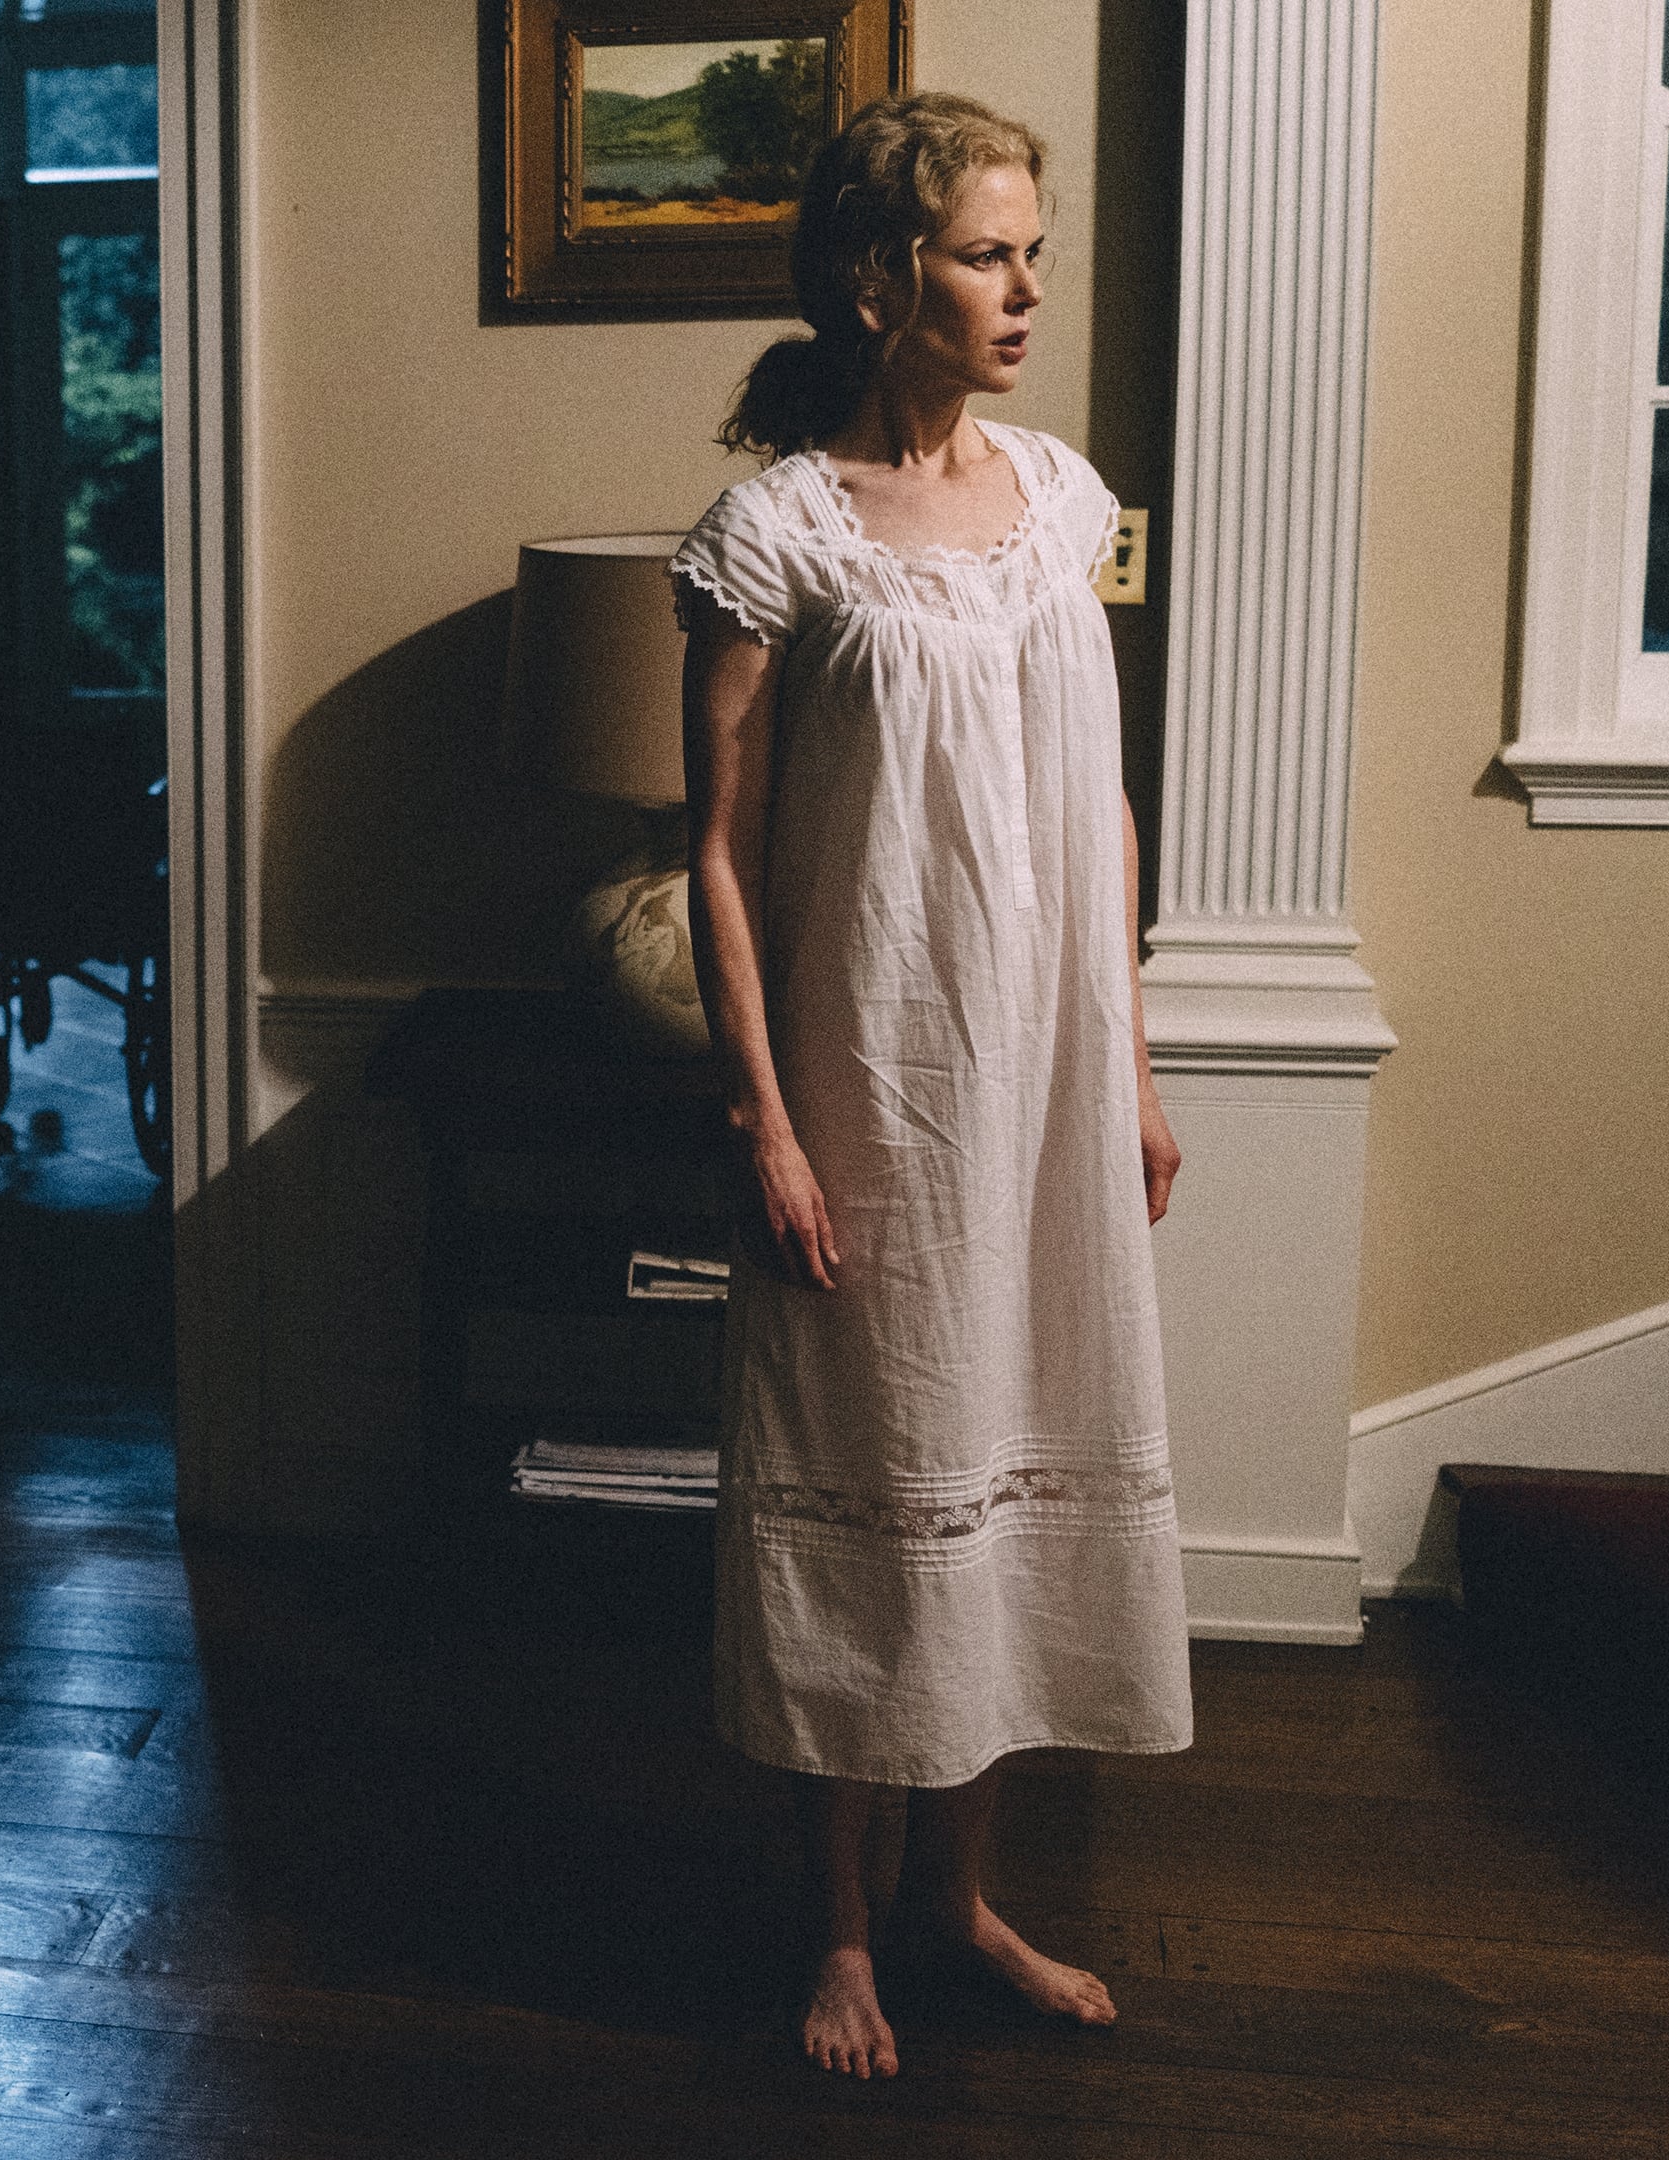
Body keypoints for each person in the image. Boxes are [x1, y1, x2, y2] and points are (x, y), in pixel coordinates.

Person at [672, 91, 1192, 2082]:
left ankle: (959, 1902)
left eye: (1035, 252)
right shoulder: (774, 536)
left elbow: (1100, 810)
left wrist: (1133, 1069)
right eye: (989, 255)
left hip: (1045, 1088)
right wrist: (766, 1119)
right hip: (873, 1085)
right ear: (885, 278)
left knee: (1012, 1467)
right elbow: (719, 853)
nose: (1027, 290)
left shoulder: (1064, 501)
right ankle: (839, 1931)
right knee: (877, 1481)